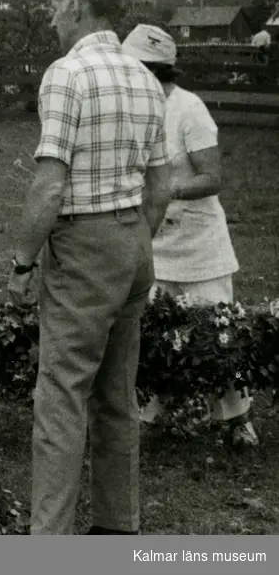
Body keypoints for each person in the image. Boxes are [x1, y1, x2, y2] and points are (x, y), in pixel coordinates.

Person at [8, 0, 171, 535]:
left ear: (77, 4)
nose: (51, 12)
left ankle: (49, 545)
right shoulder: (146, 78)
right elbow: (163, 182)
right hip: (134, 245)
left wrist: (23, 262)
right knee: (117, 397)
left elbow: (50, 184)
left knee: (60, 397)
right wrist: (135, 237)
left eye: (56, 1)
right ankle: (116, 532)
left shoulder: (67, 74)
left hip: (85, 244)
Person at [120, 24, 258, 448]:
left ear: (153, 70)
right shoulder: (132, 108)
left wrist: (169, 189)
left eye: (132, 68)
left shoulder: (190, 108)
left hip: (200, 245)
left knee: (219, 333)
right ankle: (152, 411)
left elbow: (212, 177)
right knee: (158, 328)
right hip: (156, 238)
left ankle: (237, 418)